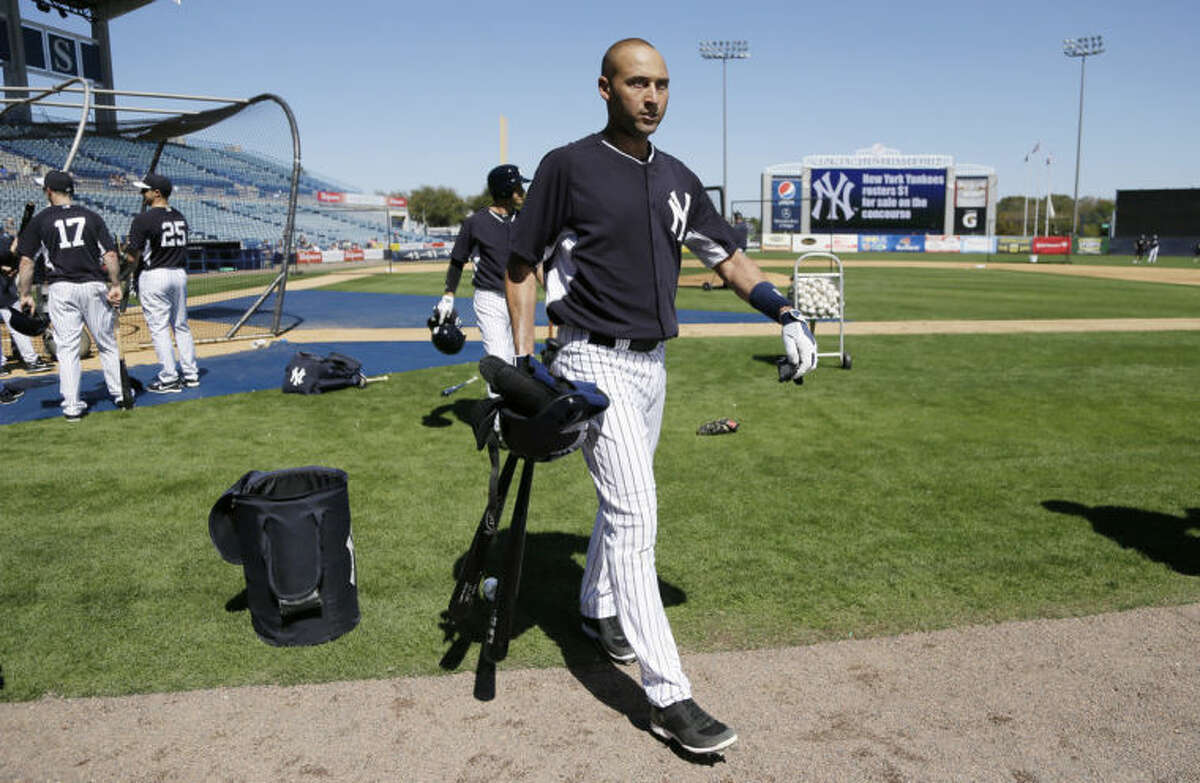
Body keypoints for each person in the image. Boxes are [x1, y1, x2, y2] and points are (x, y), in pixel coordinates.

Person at [505, 38, 817, 756]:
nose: (652, 97)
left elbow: (729, 258)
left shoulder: (678, 176)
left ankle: (594, 608)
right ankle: (668, 695)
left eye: (664, 85)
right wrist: (521, 359)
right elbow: (521, 264)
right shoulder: (568, 166)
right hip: (591, 358)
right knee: (637, 513)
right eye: (637, 83)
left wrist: (785, 312)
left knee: (624, 502)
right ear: (605, 88)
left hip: (652, 368)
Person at [16, 170, 128, 420]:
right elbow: (110, 255)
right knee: (107, 344)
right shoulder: (91, 216)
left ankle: (72, 406)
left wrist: (25, 294)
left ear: (48, 191)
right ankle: (120, 394)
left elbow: (26, 263)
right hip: (93, 285)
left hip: (61, 288)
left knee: (67, 349)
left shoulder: (41, 220)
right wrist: (115, 283)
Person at [434, 164, 531, 365]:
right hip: (490, 298)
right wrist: (448, 295)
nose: (523, 191)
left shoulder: (524, 220)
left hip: (520, 298)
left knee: (520, 358)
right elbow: (457, 260)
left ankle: (514, 397)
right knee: (498, 357)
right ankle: (497, 396)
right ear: (505, 190)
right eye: (518, 187)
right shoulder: (475, 223)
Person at [125, 173, 199, 392]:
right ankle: (191, 374)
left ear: (156, 193)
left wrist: (122, 274)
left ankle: (169, 377)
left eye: (145, 190)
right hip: (178, 273)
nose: (142, 194)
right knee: (181, 326)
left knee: (159, 328)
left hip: (155, 274)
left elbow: (132, 256)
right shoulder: (179, 216)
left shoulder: (143, 219)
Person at [1, 225, 52, 375]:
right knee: (18, 326)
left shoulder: (5, 238)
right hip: (4, 293)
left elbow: (14, 259)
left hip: (5, 287)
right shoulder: (4, 239)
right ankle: (31, 360)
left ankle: (5, 364)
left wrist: (11, 265)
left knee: (17, 325)